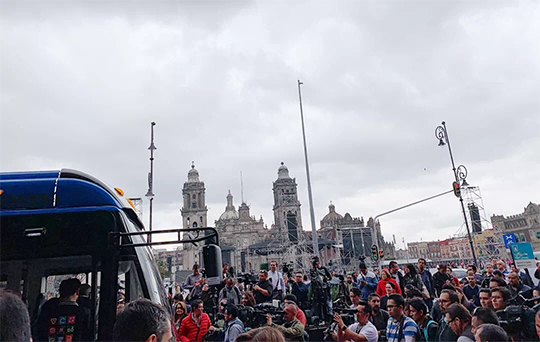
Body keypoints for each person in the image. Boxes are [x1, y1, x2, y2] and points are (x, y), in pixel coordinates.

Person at [35, 278, 92, 342]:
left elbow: (40, 331)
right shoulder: (82, 312)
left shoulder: (48, 309)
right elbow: (86, 336)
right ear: (77, 292)